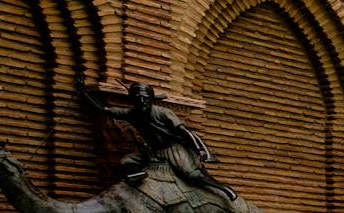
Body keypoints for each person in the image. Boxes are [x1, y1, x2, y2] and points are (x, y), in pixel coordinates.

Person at [83, 82, 238, 201]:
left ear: (151, 99)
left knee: (191, 174)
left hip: (172, 148)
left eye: (145, 98)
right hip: (153, 151)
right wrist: (83, 92)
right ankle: (139, 176)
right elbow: (103, 110)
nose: (142, 101)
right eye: (138, 98)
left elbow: (185, 132)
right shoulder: (131, 113)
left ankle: (223, 189)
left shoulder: (163, 113)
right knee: (127, 161)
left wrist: (202, 150)